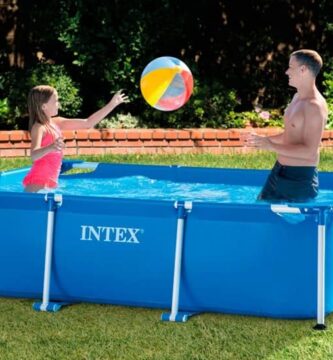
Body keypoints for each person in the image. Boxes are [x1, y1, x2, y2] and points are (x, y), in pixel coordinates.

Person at [246, 49, 328, 202]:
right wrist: (263, 140)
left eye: (291, 66)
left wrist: (271, 146)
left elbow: (309, 152)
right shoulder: (297, 97)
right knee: (260, 210)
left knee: (294, 224)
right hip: (279, 170)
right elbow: (291, 134)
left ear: (303, 69)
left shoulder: (314, 106)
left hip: (299, 179)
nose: (286, 71)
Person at [23, 85, 128, 192]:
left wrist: (112, 104)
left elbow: (88, 123)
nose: (58, 104)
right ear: (44, 106)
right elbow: (34, 155)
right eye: (55, 101)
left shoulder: (56, 122)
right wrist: (50, 147)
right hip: (37, 184)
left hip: (49, 183)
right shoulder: (39, 127)